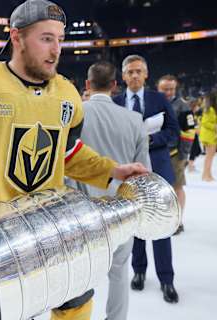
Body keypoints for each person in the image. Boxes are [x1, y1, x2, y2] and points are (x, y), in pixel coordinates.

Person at [0, 1, 148, 319]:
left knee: (76, 302)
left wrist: (112, 169)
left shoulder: (67, 94)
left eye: (60, 40)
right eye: (46, 38)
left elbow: (66, 152)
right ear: (17, 37)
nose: (56, 50)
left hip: (51, 230)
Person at [71, 61, 151, 320]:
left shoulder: (75, 115)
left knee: (78, 277)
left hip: (80, 213)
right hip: (121, 211)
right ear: (115, 86)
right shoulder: (134, 120)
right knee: (119, 272)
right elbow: (144, 173)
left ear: (87, 85)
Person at [113, 54, 180, 303]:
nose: (134, 76)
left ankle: (167, 280)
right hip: (129, 173)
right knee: (135, 224)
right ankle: (138, 271)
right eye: (130, 72)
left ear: (146, 74)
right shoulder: (116, 102)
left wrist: (151, 139)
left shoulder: (159, 99)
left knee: (162, 226)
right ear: (123, 76)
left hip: (159, 169)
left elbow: (174, 132)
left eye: (138, 71)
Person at [157, 75, 196, 234]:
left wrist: (184, 154)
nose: (168, 92)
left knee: (177, 186)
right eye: (165, 89)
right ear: (158, 88)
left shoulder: (183, 106)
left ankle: (177, 221)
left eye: (171, 89)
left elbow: (189, 131)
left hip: (174, 154)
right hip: (155, 152)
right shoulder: (152, 103)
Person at [199, 91, 217, 181]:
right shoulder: (210, 109)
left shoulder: (209, 109)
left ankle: (207, 174)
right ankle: (206, 175)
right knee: (209, 156)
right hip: (209, 134)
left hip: (209, 134)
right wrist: (215, 126)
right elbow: (204, 122)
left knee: (210, 156)